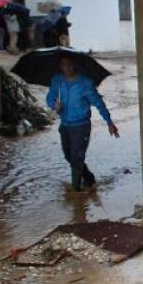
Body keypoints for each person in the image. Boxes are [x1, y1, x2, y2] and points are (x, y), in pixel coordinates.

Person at [46, 54, 120, 191]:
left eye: (69, 64)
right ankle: (89, 178)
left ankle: (76, 192)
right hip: (65, 125)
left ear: (74, 65)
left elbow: (99, 103)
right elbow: (50, 98)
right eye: (63, 64)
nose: (66, 68)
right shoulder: (57, 81)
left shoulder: (85, 83)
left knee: (77, 158)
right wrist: (54, 105)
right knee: (69, 156)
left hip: (81, 126)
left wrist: (109, 122)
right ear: (60, 66)